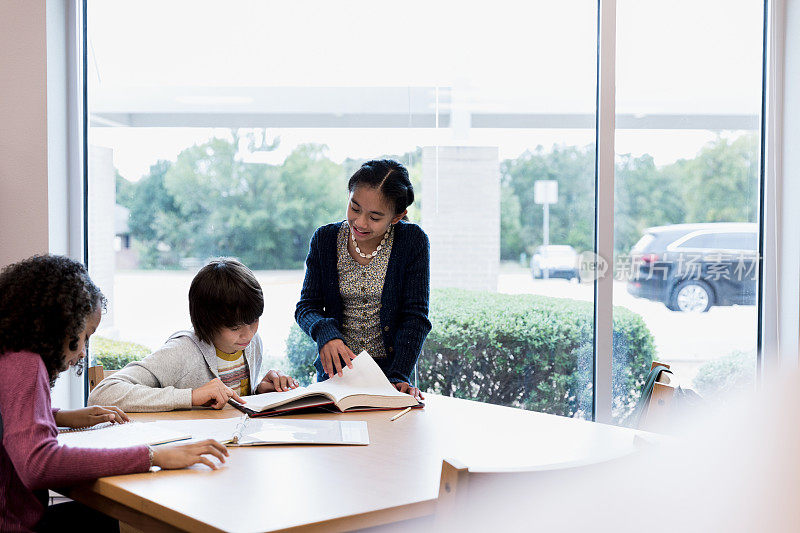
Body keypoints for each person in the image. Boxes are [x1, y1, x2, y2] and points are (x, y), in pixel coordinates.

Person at [0, 255, 229, 532]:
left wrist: (63, 417)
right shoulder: (26, 363)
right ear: (58, 324)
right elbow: (38, 463)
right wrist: (153, 456)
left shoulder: (9, 354)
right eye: (84, 335)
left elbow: (8, 417)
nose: (83, 351)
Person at [295, 159, 431, 400]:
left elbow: (415, 317)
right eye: (354, 208)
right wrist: (326, 332)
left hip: (391, 377)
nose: (360, 222)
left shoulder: (412, 242)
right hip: (336, 375)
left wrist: (399, 375)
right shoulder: (324, 239)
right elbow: (306, 307)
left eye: (375, 217)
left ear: (397, 216)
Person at [89, 258, 299, 412]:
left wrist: (259, 392)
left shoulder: (251, 344)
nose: (248, 334)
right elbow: (102, 394)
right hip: (193, 455)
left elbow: (233, 404)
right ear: (207, 323)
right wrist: (190, 396)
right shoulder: (181, 352)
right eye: (235, 328)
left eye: (253, 321)